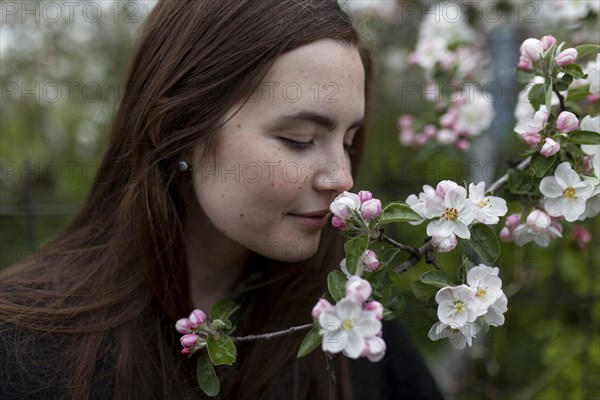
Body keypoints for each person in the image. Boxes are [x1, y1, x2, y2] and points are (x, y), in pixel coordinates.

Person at [0, 1, 444, 399]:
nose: (343, 179)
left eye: (348, 140)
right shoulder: (21, 348)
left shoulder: (351, 322)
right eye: (298, 140)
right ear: (174, 132)